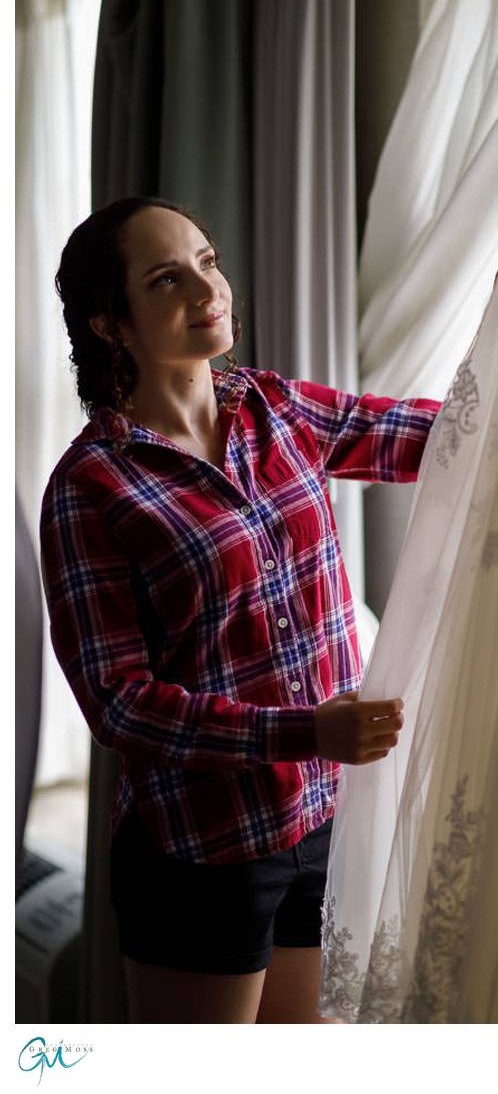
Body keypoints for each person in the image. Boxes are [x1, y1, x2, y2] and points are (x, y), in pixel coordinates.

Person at [39, 196, 442, 1024]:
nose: (206, 288)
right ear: (111, 324)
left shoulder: (273, 408)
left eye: (207, 261)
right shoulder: (91, 488)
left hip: (321, 817)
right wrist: (301, 732)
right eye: (166, 279)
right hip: (201, 851)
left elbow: (420, 437)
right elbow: (118, 703)